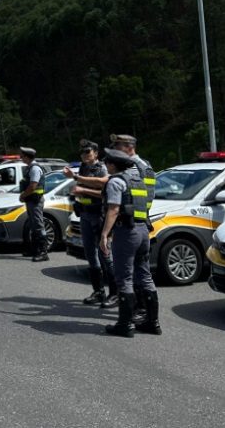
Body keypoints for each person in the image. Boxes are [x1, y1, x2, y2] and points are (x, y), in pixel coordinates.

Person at [99, 148, 161, 337]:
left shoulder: (116, 181)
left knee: (124, 277)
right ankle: (153, 322)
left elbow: (113, 210)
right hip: (143, 231)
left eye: (107, 163)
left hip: (126, 233)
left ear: (112, 164)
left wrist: (104, 235)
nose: (105, 166)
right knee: (145, 275)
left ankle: (125, 325)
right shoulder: (138, 181)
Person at [64, 140, 117, 306]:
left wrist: (82, 190)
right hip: (85, 214)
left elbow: (104, 193)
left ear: (96, 153)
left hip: (98, 215)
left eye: (88, 152)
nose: (84, 155)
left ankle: (115, 294)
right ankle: (99, 291)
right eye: (82, 152)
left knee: (105, 254)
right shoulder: (83, 167)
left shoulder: (101, 168)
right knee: (90, 255)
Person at [18, 147, 49, 262]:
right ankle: (35, 250)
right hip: (31, 200)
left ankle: (43, 252)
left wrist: (23, 195)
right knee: (33, 224)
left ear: (27, 157)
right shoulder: (30, 168)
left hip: (35, 200)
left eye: (22, 156)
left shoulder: (35, 169)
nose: (21, 158)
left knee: (38, 224)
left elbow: (33, 186)